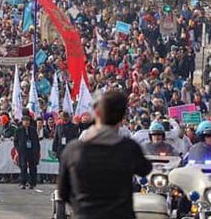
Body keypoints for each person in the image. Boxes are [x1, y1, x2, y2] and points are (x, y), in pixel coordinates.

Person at [58, 89, 152, 219]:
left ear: (96, 113)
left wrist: (82, 208)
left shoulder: (73, 150)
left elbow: (63, 192)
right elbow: (145, 168)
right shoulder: (129, 149)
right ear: (122, 117)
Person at [14, 114, 40, 189]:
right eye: (25, 121)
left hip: (32, 151)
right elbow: (16, 141)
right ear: (22, 122)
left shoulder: (33, 130)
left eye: (28, 121)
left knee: (33, 167)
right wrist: (18, 149)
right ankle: (23, 182)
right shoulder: (18, 130)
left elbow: (36, 140)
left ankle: (32, 183)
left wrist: (37, 150)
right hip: (23, 151)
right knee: (23, 167)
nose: (27, 122)